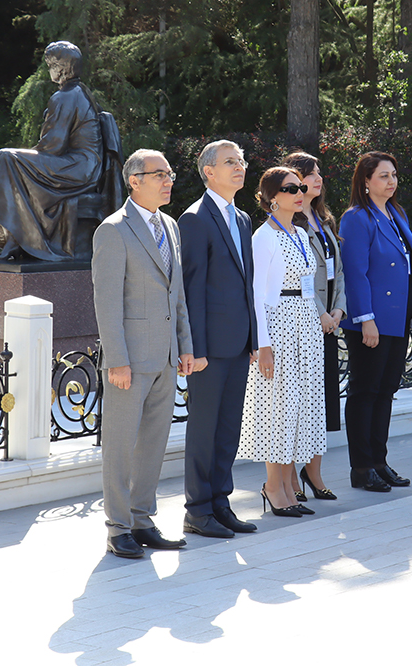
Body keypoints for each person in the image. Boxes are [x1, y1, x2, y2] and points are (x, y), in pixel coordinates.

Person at [91, 148, 194, 559]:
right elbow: (107, 301)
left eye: (169, 173)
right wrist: (116, 359)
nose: (168, 180)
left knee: (153, 443)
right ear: (134, 180)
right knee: (119, 445)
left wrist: (185, 347)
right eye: (159, 174)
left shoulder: (170, 225)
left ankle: (142, 520)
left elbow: (178, 294)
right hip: (128, 362)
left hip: (166, 358)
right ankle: (118, 528)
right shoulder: (113, 230)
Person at [0, 41, 123, 262]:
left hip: (77, 167)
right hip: (82, 166)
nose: (49, 70)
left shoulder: (65, 96)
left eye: (50, 65)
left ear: (62, 67)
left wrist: (28, 159)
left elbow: (52, 146)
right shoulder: (80, 92)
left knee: (7, 158)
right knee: (11, 163)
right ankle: (12, 240)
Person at [177, 140, 260, 539]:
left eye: (241, 161)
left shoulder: (242, 218)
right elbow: (192, 290)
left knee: (228, 429)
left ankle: (220, 504)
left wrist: (253, 341)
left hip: (238, 343)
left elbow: (247, 287)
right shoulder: (195, 219)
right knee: (204, 428)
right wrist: (196, 349)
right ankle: (197, 509)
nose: (239, 167)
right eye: (230, 162)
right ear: (208, 171)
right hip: (209, 349)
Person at [238, 167, 326, 517]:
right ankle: (273, 486)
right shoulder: (264, 237)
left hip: (305, 322)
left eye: (301, 187)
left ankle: (289, 483)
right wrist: (263, 343)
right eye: (291, 188)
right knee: (281, 407)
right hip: (280, 325)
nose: (300, 193)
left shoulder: (301, 234)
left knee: (303, 405)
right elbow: (258, 294)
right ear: (273, 197)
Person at [339, 152, 412, 492]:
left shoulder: (395, 213)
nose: (391, 181)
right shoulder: (357, 218)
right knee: (365, 392)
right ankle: (361, 467)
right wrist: (365, 319)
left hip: (397, 319)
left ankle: (379, 461)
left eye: (394, 175)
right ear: (366, 181)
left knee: (386, 391)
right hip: (370, 321)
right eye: (383, 176)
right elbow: (355, 272)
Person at [281, 151, 344, 502]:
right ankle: (288, 478)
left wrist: (338, 311)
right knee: (296, 404)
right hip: (304, 323)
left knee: (321, 406)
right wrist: (320, 312)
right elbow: (300, 280)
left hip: (329, 324)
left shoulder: (323, 219)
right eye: (311, 174)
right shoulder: (289, 223)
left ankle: (315, 474)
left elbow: (339, 271)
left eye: (319, 173)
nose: (318, 178)